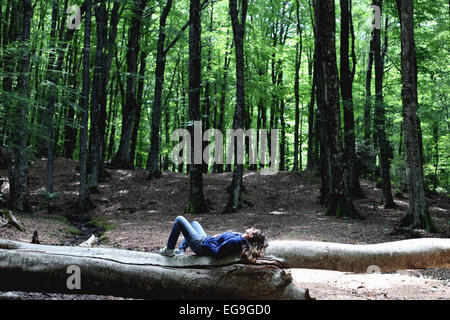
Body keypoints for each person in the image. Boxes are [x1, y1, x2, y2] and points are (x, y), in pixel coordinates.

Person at [159, 216, 267, 262]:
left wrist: (212, 240)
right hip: (206, 239)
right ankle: (181, 249)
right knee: (194, 223)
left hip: (201, 245)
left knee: (179, 219)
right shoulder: (240, 237)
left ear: (251, 235)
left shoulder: (237, 242)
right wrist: (218, 236)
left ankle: (169, 250)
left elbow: (217, 252)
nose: (251, 228)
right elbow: (224, 239)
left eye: (253, 229)